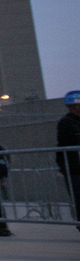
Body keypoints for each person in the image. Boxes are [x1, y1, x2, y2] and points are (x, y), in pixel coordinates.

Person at [58, 91, 80, 231]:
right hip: (75, 168)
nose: (76, 109)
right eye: (73, 107)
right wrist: (64, 168)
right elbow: (62, 146)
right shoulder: (67, 123)